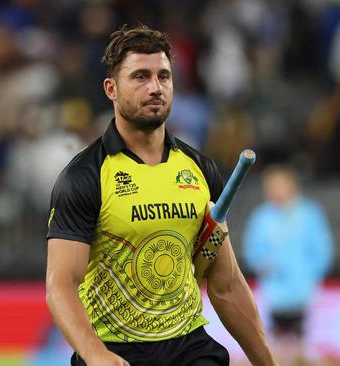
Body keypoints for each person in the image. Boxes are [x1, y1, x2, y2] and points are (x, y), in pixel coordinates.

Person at [45, 25, 276, 366]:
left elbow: (226, 285)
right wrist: (95, 355)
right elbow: (61, 285)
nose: (155, 87)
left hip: (190, 347)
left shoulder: (200, 168)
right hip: (116, 351)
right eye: (140, 76)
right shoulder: (85, 177)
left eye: (163, 76)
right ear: (111, 88)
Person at [243, 164, 334, 365]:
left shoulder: (309, 214)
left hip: (304, 293)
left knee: (304, 349)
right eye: (269, 186)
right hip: (273, 294)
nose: (272, 191)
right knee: (273, 348)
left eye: (277, 185)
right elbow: (251, 251)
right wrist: (262, 264)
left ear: (291, 185)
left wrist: (310, 277)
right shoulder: (262, 217)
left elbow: (322, 250)